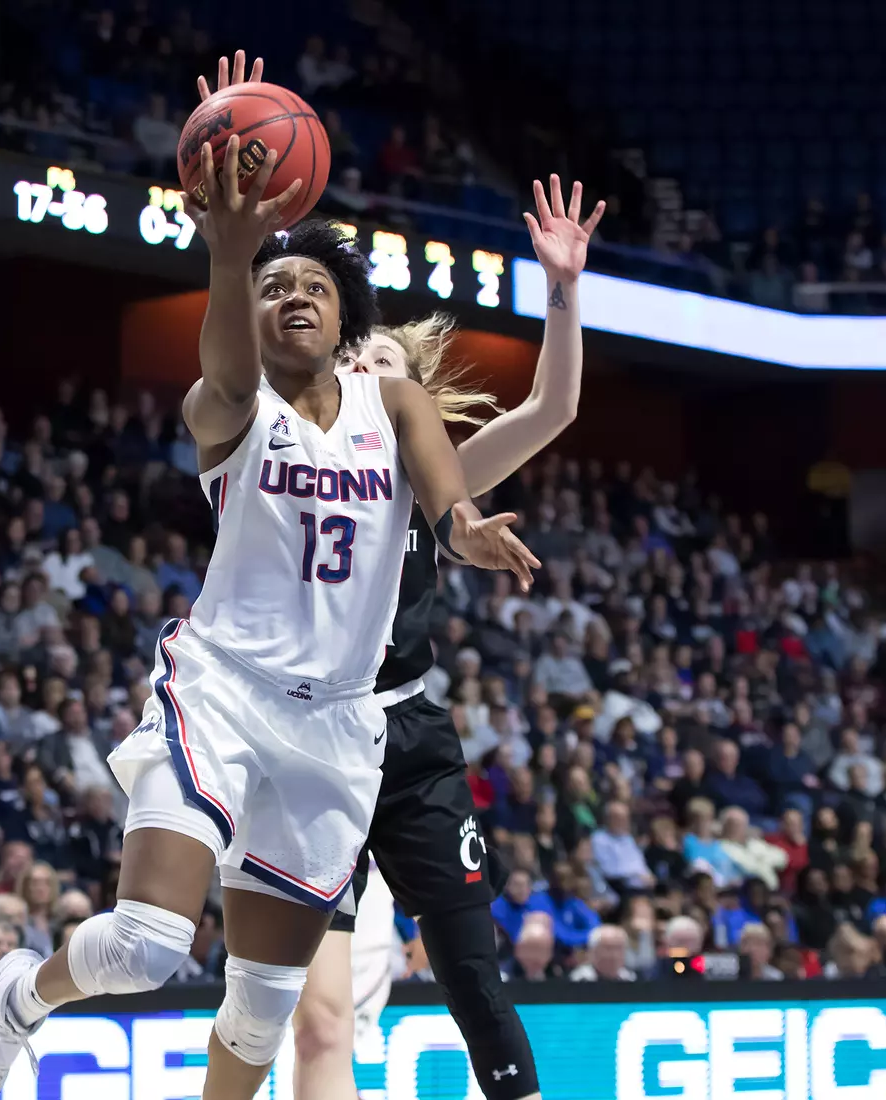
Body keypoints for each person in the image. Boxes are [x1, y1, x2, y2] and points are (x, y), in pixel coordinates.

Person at [0, 49, 537, 1100]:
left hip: (341, 730)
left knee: (261, 1007)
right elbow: (223, 365)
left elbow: (445, 492)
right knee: (148, 941)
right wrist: (231, 252)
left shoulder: (390, 407)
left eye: (311, 284)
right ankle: (16, 1000)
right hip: (221, 691)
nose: (292, 295)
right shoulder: (229, 409)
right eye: (273, 289)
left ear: (346, 318)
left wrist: (467, 527)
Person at [299, 167, 600, 1099]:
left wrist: (562, 288)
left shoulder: (444, 476)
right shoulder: (291, 459)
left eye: (386, 367)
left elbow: (553, 411)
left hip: (406, 738)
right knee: (317, 1017)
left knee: (471, 974)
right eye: (358, 365)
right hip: (301, 738)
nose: (367, 376)